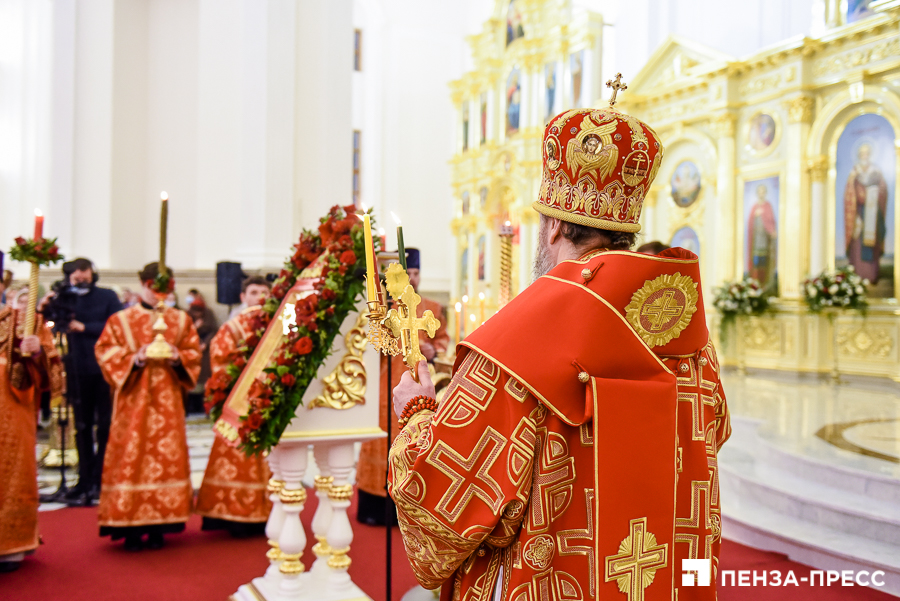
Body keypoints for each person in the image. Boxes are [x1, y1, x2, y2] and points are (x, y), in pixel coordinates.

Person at [386, 107, 730, 600]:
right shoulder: (682, 327)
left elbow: (443, 508)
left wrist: (416, 410)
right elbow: (713, 431)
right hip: (663, 576)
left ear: (551, 228)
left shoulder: (521, 335)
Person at [94, 262, 201, 551]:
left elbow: (194, 351)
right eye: (154, 288)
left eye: (165, 288)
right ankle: (128, 524)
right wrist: (136, 358)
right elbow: (105, 349)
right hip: (133, 401)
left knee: (166, 459)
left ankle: (161, 525)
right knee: (131, 455)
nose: (159, 295)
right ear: (143, 285)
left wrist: (179, 357)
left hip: (168, 402)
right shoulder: (121, 320)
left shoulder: (180, 320)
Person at [356, 247, 450, 526]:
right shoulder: (384, 311)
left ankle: (413, 506)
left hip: (422, 383)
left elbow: (442, 339)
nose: (413, 277)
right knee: (381, 441)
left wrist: (432, 349)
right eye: (408, 272)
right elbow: (370, 349)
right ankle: (375, 506)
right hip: (388, 386)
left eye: (417, 272)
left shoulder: (431, 308)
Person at [0, 252, 65, 572]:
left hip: (10, 413)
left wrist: (36, 352)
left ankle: (9, 544)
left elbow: (51, 369)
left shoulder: (24, 322)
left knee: (10, 475)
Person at [195, 276, 272, 536]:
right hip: (239, 404)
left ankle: (266, 512)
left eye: (264, 292)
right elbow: (220, 362)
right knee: (234, 457)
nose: (259, 297)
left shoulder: (279, 325)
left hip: (268, 402)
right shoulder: (233, 327)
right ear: (243, 297)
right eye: (253, 292)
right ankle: (229, 513)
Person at [45, 258, 124, 506]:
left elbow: (118, 326)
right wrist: (45, 306)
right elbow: (50, 322)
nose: (81, 279)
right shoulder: (65, 296)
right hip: (76, 368)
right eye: (76, 277)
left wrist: (84, 327)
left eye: (85, 274)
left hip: (103, 369)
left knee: (104, 426)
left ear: (92, 274)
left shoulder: (108, 296)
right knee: (81, 426)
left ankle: (102, 478)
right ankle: (84, 478)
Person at [844, 142, 888, 283]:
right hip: (858, 212)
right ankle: (857, 275)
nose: (865, 156)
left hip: (872, 213)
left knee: (871, 240)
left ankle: (871, 275)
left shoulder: (876, 171)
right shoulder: (855, 171)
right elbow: (849, 192)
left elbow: (883, 190)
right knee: (857, 241)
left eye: (867, 153)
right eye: (862, 154)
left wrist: (874, 193)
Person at [185, 288, 219, 413]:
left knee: (204, 379)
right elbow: (185, 333)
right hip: (192, 349)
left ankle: (203, 406)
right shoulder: (187, 316)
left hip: (205, 351)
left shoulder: (209, 314)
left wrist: (205, 343)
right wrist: (195, 328)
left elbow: (214, 330)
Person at [747, 185, 777, 289]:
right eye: (759, 191)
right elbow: (750, 223)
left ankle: (765, 284)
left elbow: (771, 222)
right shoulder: (754, 207)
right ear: (757, 193)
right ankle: (755, 284)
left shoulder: (768, 206)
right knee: (756, 262)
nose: (761, 193)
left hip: (765, 241)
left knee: (764, 262)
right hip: (756, 242)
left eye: (763, 191)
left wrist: (771, 231)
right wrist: (755, 216)